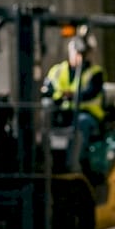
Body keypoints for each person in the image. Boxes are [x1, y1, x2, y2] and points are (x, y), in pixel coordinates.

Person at [43, 35, 104, 173]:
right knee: (44, 120)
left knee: (81, 123)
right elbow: (47, 90)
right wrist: (57, 96)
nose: (78, 55)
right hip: (63, 113)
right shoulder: (57, 71)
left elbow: (90, 93)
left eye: (82, 52)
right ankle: (49, 163)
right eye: (76, 51)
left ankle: (76, 165)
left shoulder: (95, 73)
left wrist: (70, 95)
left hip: (88, 114)